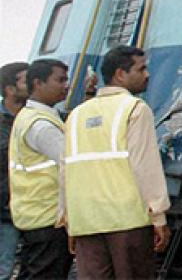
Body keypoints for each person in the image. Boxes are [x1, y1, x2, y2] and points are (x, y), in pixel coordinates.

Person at [64, 47, 169, 280]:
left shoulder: (76, 115)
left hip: (86, 220)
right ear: (120, 74)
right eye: (141, 69)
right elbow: (145, 166)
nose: (148, 75)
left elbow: (66, 170)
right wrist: (158, 215)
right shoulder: (135, 109)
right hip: (127, 220)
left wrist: (69, 220)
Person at [8, 59, 70, 280]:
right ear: (38, 83)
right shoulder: (41, 125)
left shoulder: (29, 116)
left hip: (34, 214)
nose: (66, 86)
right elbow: (71, 162)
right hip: (48, 216)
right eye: (60, 80)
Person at [0, 62, 30, 280]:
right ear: (10, 89)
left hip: (27, 208)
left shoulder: (35, 117)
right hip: (5, 211)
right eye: (27, 80)